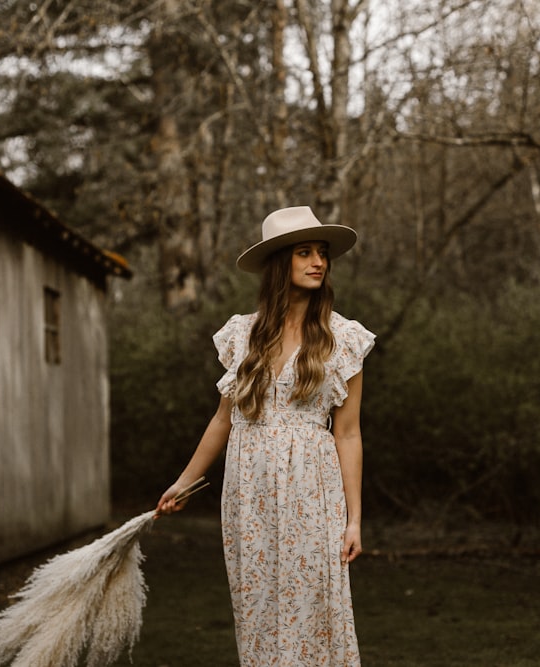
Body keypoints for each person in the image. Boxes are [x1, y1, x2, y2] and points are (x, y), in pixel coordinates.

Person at [157, 206, 376, 666]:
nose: (318, 261)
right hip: (249, 490)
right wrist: (184, 481)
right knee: (257, 607)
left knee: (312, 606)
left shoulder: (343, 338)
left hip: (311, 490)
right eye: (304, 252)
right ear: (281, 263)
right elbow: (222, 420)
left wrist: (354, 519)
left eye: (322, 253)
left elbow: (349, 433)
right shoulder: (244, 335)